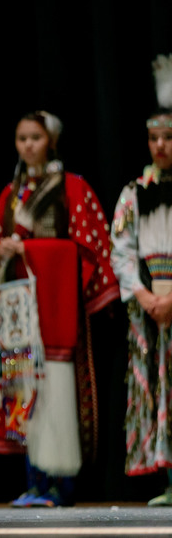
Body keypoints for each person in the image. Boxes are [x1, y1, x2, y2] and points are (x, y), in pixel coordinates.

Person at [0, 110, 119, 508]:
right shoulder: (11, 193)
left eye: (35, 138)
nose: (28, 146)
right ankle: (35, 482)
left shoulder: (71, 187)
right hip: (19, 310)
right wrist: (1, 250)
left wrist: (30, 249)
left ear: (51, 141)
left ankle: (60, 484)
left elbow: (87, 246)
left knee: (55, 388)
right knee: (23, 387)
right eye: (21, 139)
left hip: (55, 307)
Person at [111, 54, 172, 504]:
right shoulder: (134, 193)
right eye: (154, 138)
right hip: (149, 306)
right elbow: (122, 250)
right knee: (157, 384)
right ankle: (168, 480)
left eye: (169, 137)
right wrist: (144, 295)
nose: (161, 145)